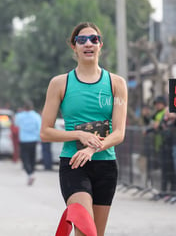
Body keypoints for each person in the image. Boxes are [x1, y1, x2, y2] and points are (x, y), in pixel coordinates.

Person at [40, 22, 127, 236]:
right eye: (82, 40)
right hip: (73, 165)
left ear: (100, 45)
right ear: (74, 46)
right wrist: (79, 134)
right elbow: (45, 132)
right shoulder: (60, 83)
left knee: (96, 233)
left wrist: (92, 148)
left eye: (93, 39)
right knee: (86, 230)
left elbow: (118, 133)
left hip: (106, 166)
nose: (88, 43)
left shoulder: (117, 84)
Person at [14, 101, 42, 185]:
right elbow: (39, 127)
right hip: (33, 140)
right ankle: (32, 172)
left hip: (24, 140)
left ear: (24, 108)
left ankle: (29, 173)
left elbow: (16, 124)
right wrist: (39, 139)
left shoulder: (19, 116)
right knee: (32, 157)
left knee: (25, 158)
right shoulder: (36, 116)